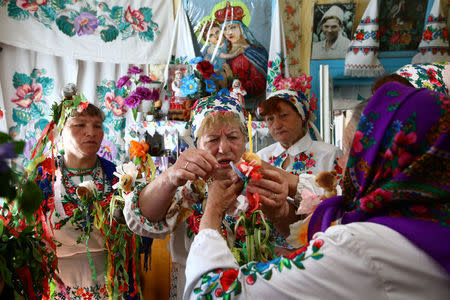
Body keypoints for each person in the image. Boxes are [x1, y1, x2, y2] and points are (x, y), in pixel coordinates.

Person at [183, 81, 450, 299]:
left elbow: (211, 292)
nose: (342, 165)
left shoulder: (358, 246)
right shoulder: (431, 220)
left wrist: (213, 210)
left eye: (352, 154)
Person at [123, 94, 296, 299]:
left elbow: (296, 235)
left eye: (233, 137)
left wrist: (280, 211)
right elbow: (143, 218)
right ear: (196, 143)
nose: (223, 148)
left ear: (244, 140)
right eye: (213, 139)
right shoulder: (185, 183)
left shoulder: (263, 179)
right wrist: (169, 177)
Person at [33, 84, 148, 299]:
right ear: (59, 131)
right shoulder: (42, 178)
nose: (91, 132)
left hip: (111, 282)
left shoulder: (118, 175)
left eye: (98, 126)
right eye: (80, 125)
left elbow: (139, 228)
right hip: (55, 284)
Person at [214, 2, 268, 101]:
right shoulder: (223, 50)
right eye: (225, 29)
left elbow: (260, 83)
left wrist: (235, 84)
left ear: (241, 28)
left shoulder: (254, 51)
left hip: (247, 101)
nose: (229, 32)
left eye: (233, 27)